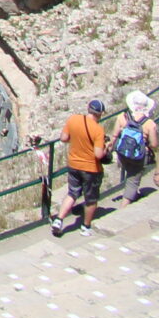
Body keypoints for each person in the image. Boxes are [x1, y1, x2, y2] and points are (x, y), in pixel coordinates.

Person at [57, 98, 110, 235]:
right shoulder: (98, 130)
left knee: (72, 193)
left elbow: (63, 138)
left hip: (73, 163)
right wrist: (107, 147)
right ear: (99, 114)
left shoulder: (73, 119)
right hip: (90, 168)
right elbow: (98, 155)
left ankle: (59, 219)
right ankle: (86, 227)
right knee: (91, 199)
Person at [115, 93, 159, 205]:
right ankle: (124, 205)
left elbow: (115, 135)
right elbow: (154, 144)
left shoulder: (122, 117)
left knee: (129, 174)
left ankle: (130, 193)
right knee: (133, 180)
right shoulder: (150, 124)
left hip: (122, 152)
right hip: (138, 156)